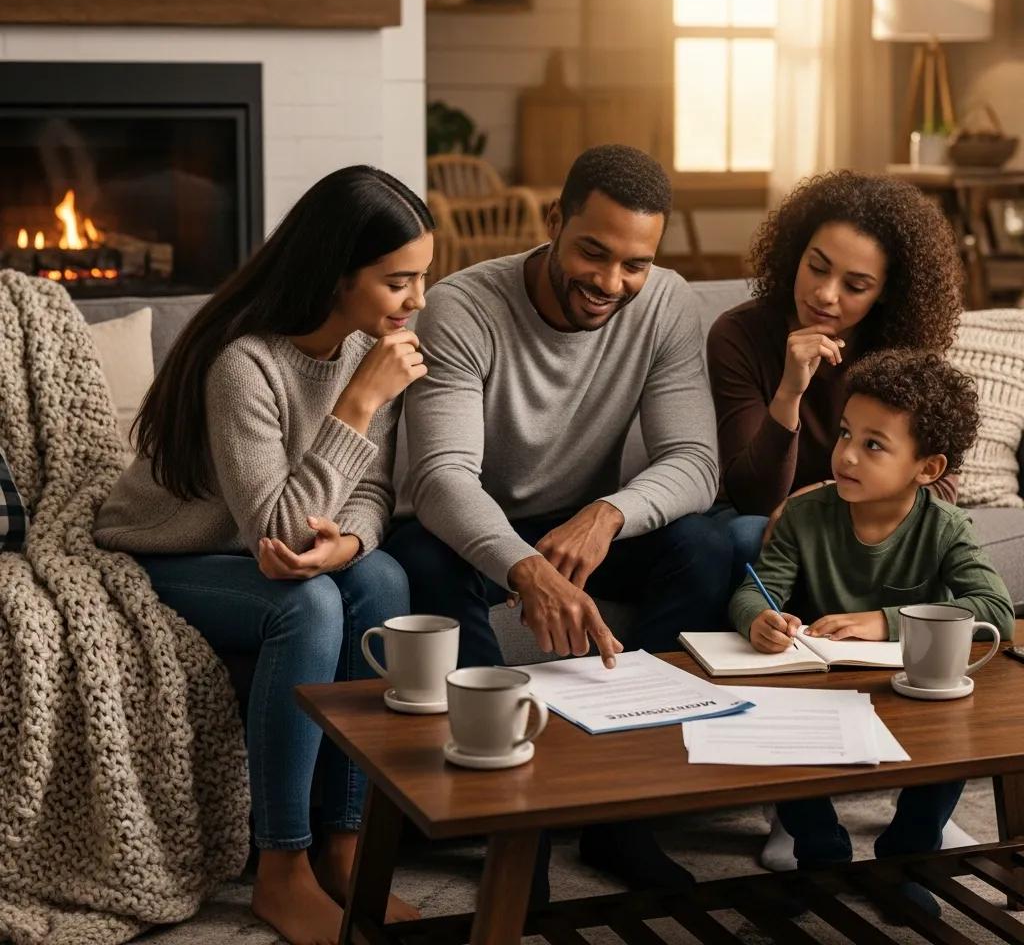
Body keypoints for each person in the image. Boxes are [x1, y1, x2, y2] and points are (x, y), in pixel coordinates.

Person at [94, 166, 433, 945]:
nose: (417, 301)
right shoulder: (246, 363)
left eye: (423, 278)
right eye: (398, 281)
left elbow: (374, 497)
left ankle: (348, 843)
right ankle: (281, 866)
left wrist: (349, 542)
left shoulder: (363, 347)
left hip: (265, 548)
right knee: (306, 603)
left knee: (384, 575)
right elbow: (275, 530)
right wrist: (359, 404)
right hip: (167, 555)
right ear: (336, 275)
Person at [385, 144, 730, 894]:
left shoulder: (666, 303)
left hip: (580, 518)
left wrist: (609, 512)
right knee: (424, 562)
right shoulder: (464, 306)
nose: (611, 282)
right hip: (466, 521)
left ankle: (623, 820)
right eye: (593, 253)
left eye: (634, 263)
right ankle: (514, 836)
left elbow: (696, 463)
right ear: (553, 222)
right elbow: (439, 477)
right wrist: (526, 568)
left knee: (704, 546)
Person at [731, 350, 1015, 918]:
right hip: (825, 687)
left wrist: (885, 620)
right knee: (783, 725)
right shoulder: (808, 517)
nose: (846, 455)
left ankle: (906, 858)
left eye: (873, 444)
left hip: (912, 688)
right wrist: (758, 619)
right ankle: (821, 852)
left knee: (960, 729)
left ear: (928, 468)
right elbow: (753, 591)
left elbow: (995, 612)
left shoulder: (945, 527)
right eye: (844, 435)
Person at [707, 170, 963, 589]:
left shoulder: (904, 348)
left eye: (855, 286)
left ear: (884, 291)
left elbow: (941, 487)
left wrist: (826, 497)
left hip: (864, 517)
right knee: (746, 535)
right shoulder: (739, 336)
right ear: (796, 254)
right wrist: (790, 390)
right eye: (817, 267)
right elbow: (754, 498)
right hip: (762, 519)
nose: (826, 294)